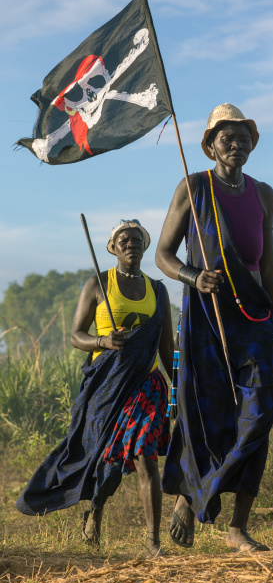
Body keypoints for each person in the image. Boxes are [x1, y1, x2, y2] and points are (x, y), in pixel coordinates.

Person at [155, 103, 273, 552]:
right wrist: (194, 276)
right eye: (226, 136)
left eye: (243, 136)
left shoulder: (264, 193)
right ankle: (189, 498)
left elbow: (266, 265)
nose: (236, 143)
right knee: (206, 415)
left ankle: (234, 525)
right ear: (211, 145)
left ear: (252, 143)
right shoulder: (194, 187)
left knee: (261, 412)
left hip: (254, 317)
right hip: (206, 316)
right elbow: (163, 255)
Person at [16, 220, 174, 558]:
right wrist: (102, 340)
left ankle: (153, 542)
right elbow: (76, 336)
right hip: (107, 387)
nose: (131, 243)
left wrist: (179, 388)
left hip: (146, 386)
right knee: (110, 468)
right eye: (124, 239)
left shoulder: (158, 291)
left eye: (137, 239)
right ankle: (96, 509)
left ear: (144, 247)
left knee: (146, 457)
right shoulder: (99, 284)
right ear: (113, 248)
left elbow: (166, 346)